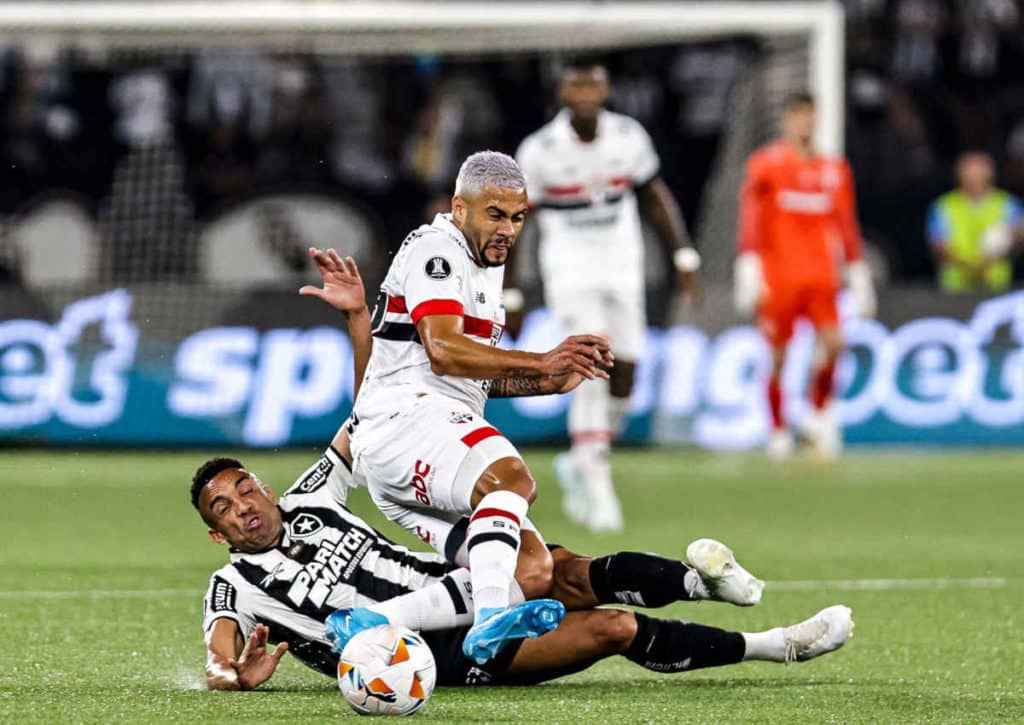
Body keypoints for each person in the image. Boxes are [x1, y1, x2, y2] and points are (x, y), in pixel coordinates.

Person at [196, 245, 853, 691]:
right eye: (223, 510)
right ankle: (773, 644)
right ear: (217, 536)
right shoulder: (235, 585)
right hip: (435, 653)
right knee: (611, 627)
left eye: (242, 488)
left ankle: (701, 582)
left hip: (455, 578)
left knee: (567, 569)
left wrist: (353, 318)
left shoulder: (312, 495)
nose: (241, 506)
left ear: (265, 486)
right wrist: (232, 677)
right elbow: (219, 660)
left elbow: (375, 409)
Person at [349, 149, 617, 665]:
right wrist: (541, 360)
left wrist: (547, 382)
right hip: (403, 418)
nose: (508, 230)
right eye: (495, 214)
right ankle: (491, 617)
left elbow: (473, 380)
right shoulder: (438, 248)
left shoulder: (483, 265)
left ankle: (372, 624)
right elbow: (445, 351)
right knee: (511, 479)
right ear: (460, 207)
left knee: (531, 570)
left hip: (416, 437)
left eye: (518, 218)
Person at [515, 56, 702, 533]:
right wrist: (510, 291)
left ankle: (584, 455)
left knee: (627, 372)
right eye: (576, 86)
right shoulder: (538, 151)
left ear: (605, 91)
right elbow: (518, 222)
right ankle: (596, 478)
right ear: (563, 94)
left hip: (622, 265)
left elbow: (654, 196)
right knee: (591, 357)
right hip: (570, 269)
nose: (585, 94)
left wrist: (683, 256)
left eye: (593, 85)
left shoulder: (628, 137)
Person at [734, 91, 876, 462]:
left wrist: (858, 272)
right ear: (785, 121)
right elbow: (752, 218)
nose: (805, 124)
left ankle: (817, 412)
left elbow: (845, 225)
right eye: (798, 116)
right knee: (779, 356)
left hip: (821, 277)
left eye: (811, 116)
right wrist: (748, 266)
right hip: (780, 276)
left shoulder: (834, 170)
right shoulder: (766, 165)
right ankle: (778, 429)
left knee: (835, 344)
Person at [926, 151, 1024, 294]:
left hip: (997, 286)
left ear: (990, 173)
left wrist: (1008, 242)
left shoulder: (1008, 204)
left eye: (979, 171)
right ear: (959, 174)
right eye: (969, 171)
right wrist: (969, 268)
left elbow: (1018, 240)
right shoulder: (943, 205)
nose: (974, 176)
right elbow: (938, 245)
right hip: (954, 288)